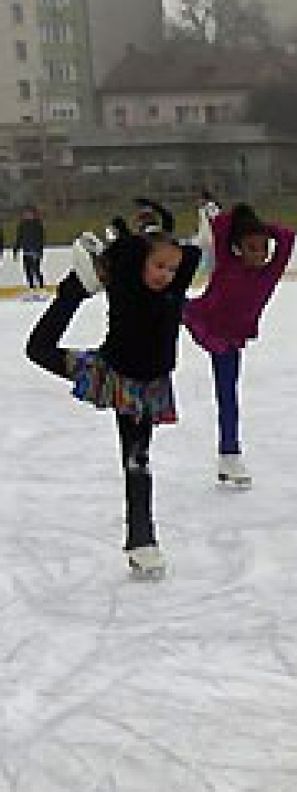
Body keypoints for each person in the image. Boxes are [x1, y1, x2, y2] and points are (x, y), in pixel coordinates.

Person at [25, 208, 203, 579]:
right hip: (110, 373)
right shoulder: (126, 286)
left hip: (146, 389)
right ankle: (76, 287)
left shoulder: (173, 291)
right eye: (159, 267)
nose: (166, 276)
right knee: (39, 349)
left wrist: (172, 235)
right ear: (140, 263)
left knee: (137, 459)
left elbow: (195, 256)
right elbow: (127, 256)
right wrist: (123, 246)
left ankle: (142, 541)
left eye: (172, 270)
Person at [183, 203, 295, 489]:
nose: (260, 255)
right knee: (158, 306)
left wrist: (258, 228)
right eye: (252, 248)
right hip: (199, 315)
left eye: (264, 248)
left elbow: (287, 236)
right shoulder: (226, 261)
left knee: (227, 394)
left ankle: (229, 455)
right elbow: (221, 229)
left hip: (228, 338)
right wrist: (226, 220)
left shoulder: (270, 273)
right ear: (237, 248)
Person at [15, 205, 46, 295]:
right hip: (26, 251)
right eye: (25, 214)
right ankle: (31, 288)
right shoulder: (22, 225)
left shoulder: (38, 225)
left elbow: (41, 239)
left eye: (29, 213)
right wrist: (16, 250)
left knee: (36, 269)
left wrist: (40, 251)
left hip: (35, 251)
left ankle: (42, 287)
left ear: (33, 214)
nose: (27, 215)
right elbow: (19, 238)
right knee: (27, 270)